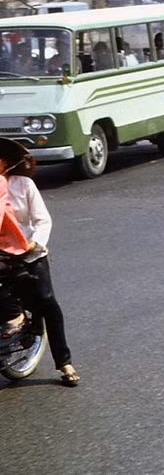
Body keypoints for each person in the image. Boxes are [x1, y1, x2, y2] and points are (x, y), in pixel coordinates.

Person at [0, 142, 79, 386]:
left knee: (47, 303)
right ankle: (13, 316)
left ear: (7, 163)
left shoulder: (24, 186)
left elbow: (42, 220)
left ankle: (64, 362)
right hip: (1, 254)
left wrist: (35, 244)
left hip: (31, 253)